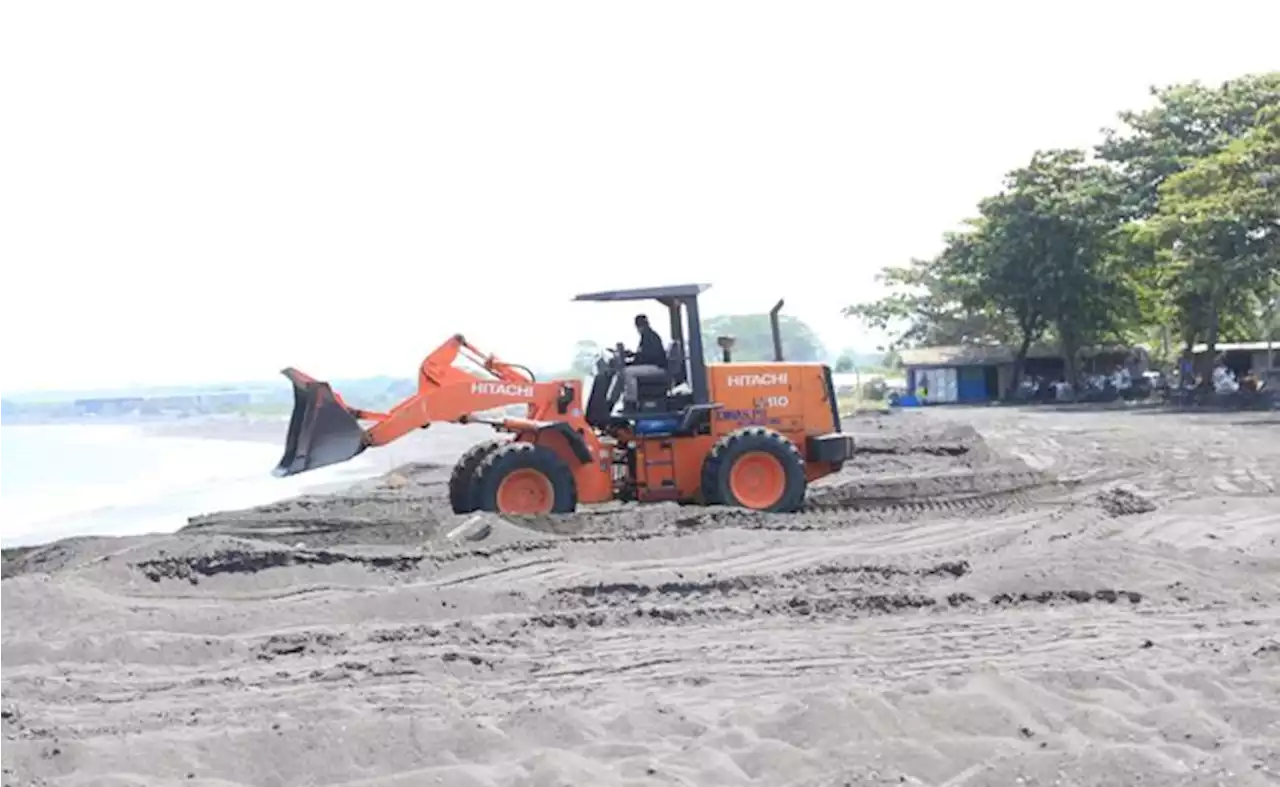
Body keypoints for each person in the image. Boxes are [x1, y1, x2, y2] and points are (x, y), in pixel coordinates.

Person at [612, 315, 668, 408]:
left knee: (628, 372)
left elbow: (649, 357)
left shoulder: (651, 337)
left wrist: (632, 361)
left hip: (658, 367)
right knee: (621, 373)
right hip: (654, 365)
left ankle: (631, 403)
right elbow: (643, 355)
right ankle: (611, 402)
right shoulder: (646, 336)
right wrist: (632, 356)